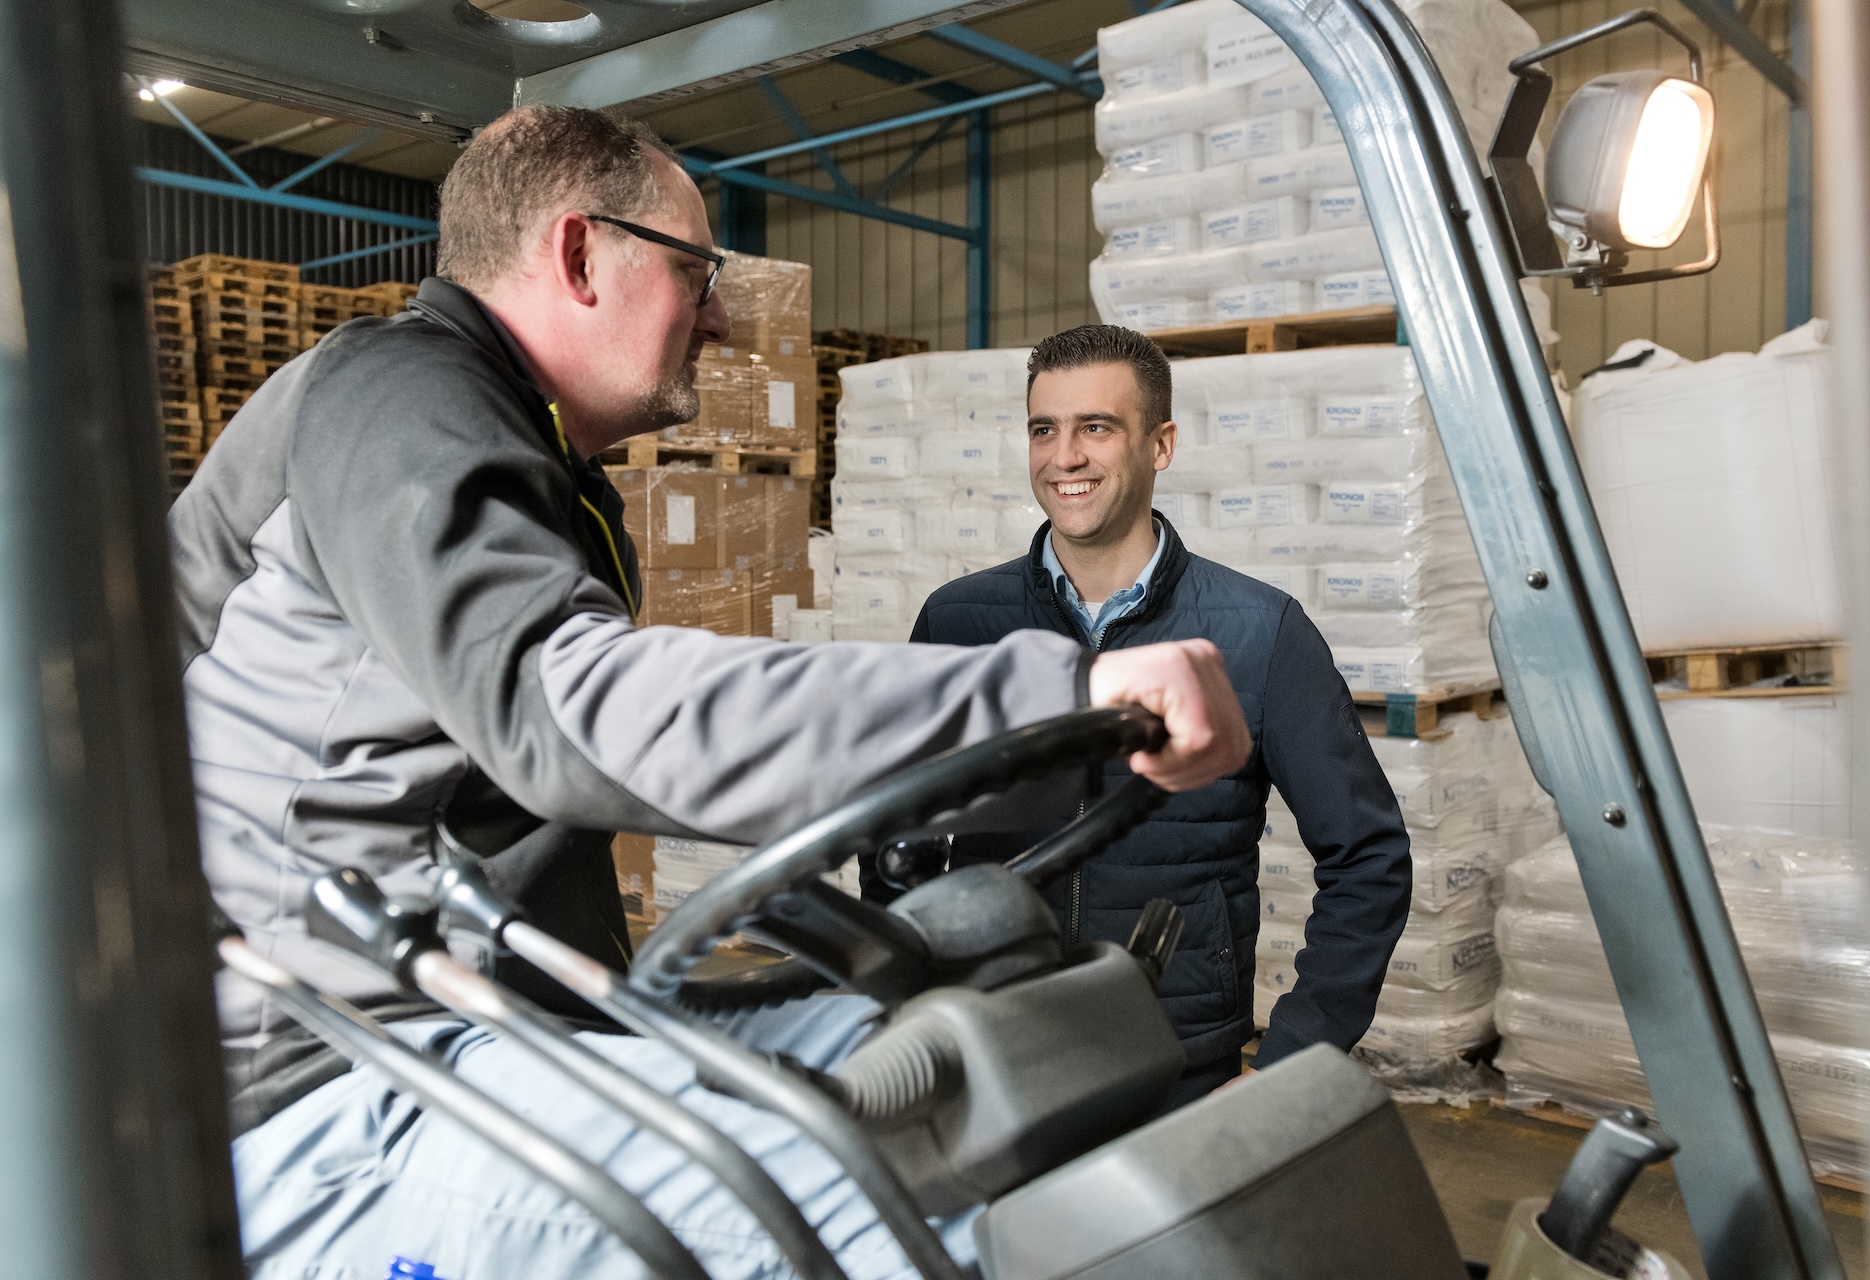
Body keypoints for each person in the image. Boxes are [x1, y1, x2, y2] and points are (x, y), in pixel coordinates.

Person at [171, 108, 1250, 1277]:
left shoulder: (539, 470)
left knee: (969, 1073)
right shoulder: (395, 405)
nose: (723, 314)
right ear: (582, 254)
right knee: (856, 1209)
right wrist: (1055, 698)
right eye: (696, 269)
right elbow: (573, 709)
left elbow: (515, 822)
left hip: (491, 1011)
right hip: (332, 1075)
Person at [899, 324, 1411, 1110]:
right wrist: (905, 1006)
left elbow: (1367, 856)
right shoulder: (961, 621)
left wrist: (1292, 1060)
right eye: (1045, 429)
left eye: (1095, 428)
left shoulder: (1258, 633)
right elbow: (897, 836)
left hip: (1176, 1065)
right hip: (993, 1055)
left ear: (1160, 445)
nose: (1064, 457)